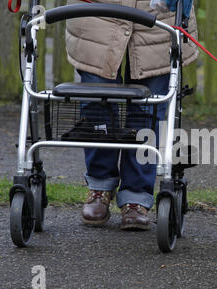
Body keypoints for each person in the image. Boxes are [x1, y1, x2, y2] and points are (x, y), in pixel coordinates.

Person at [65, 0, 198, 229]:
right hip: (96, 11)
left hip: (159, 13)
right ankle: (100, 186)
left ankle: (136, 197)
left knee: (148, 110)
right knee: (97, 104)